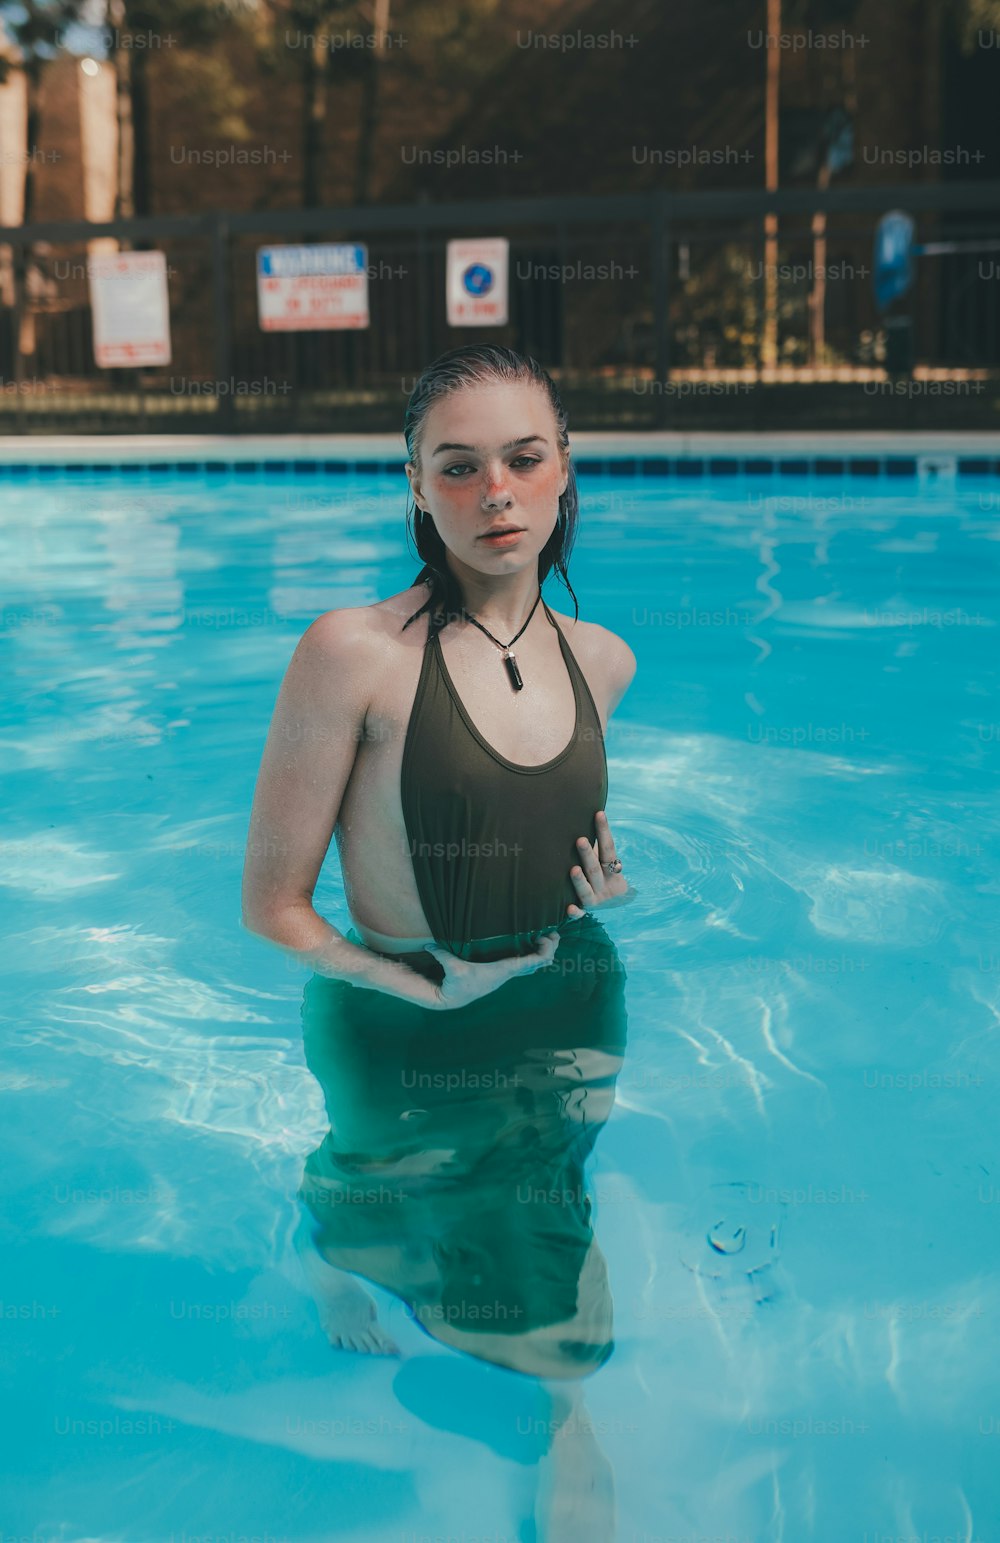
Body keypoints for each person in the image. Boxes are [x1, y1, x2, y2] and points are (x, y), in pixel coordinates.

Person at [242, 345, 637, 1538]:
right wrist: (417, 984)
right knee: (386, 1192)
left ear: (565, 470)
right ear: (416, 487)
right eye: (458, 469)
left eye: (523, 459)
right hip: (396, 1010)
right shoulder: (352, 652)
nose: (497, 493)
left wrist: (595, 897)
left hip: (568, 995)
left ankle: (563, 1413)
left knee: (554, 1207)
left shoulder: (603, 660)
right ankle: (342, 1245)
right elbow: (274, 907)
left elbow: (541, 831)